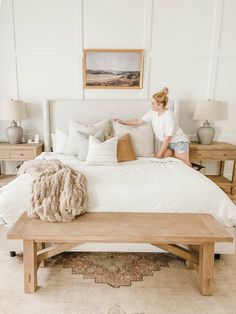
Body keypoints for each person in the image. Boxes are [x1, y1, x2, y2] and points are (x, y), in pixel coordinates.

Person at [116, 87, 191, 166]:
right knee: (160, 162)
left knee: (184, 164)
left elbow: (168, 137)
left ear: (160, 105)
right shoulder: (152, 113)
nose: (151, 105)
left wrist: (159, 153)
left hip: (178, 142)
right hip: (168, 144)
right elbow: (138, 121)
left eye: (153, 103)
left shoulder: (169, 116)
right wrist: (124, 122)